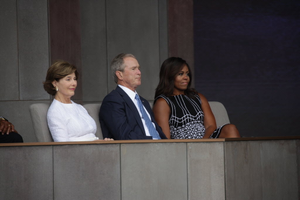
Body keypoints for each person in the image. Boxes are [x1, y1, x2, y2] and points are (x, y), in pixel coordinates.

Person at [153, 57, 240, 139]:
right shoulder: (163, 102)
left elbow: (211, 126)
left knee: (230, 128)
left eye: (187, 74)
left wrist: (203, 142)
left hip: (206, 140)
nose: (186, 77)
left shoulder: (198, 97)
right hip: (183, 146)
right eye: (180, 74)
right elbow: (165, 139)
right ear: (169, 77)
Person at [99, 53, 167, 140]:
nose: (139, 72)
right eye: (133, 69)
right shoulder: (113, 101)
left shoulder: (143, 101)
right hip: (140, 150)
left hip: (161, 147)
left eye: (139, 68)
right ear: (120, 75)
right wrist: (154, 141)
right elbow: (124, 136)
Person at [43, 60, 113, 142]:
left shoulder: (80, 108)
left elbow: (91, 137)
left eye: (74, 79)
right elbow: (62, 146)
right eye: (68, 79)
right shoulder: (55, 111)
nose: (74, 83)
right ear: (55, 83)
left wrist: (103, 142)